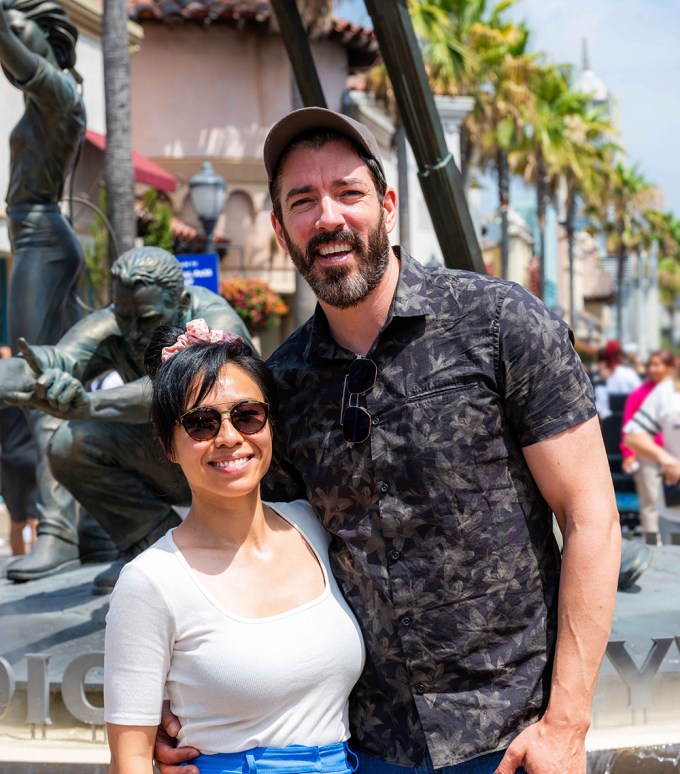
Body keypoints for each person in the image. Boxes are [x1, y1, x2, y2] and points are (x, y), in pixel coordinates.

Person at [156, 107, 621, 774]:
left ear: (387, 204)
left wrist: (566, 725)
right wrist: (180, 704)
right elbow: (254, 557)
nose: (328, 218)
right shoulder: (279, 390)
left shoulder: (498, 325)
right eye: (302, 201)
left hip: (515, 741)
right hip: (364, 747)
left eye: (348, 193)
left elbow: (593, 519)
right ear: (280, 228)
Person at [105, 319, 365, 774]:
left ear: (269, 425)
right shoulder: (151, 582)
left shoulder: (314, 526)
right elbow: (128, 761)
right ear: (169, 443)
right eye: (201, 423)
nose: (229, 437)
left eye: (247, 415)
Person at [0, 246, 251, 588]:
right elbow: (51, 362)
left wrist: (89, 404)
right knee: (68, 444)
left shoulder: (215, 319)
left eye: (146, 319)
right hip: (167, 458)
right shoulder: (114, 322)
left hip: (230, 458)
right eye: (123, 316)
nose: (132, 332)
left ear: (178, 303)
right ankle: (150, 542)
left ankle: (240, 548)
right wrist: (22, 377)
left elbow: (180, 389)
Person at [0, 0, 86, 348]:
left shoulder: (62, 96)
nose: (13, 42)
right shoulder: (45, 104)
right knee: (54, 367)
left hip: (41, 240)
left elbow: (11, 47)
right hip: (36, 237)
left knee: (29, 364)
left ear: (47, 38)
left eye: (20, 31)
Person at [620, 351, 675, 545]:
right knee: (650, 504)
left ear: (669, 367)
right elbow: (629, 428)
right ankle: (653, 545)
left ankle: (674, 546)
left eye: (658, 364)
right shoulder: (639, 394)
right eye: (651, 364)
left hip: (673, 458)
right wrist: (629, 454)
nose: (652, 369)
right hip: (648, 458)